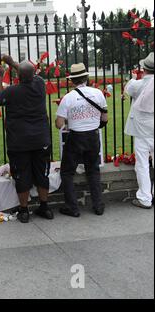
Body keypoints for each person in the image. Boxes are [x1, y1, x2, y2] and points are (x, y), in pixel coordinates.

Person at [0, 55, 53, 223]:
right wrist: (12, 62)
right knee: (42, 174)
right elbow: (27, 72)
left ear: (18, 76)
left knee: (21, 175)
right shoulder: (40, 84)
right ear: (33, 74)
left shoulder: (12, 91)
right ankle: (44, 206)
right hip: (41, 139)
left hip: (19, 141)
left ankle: (24, 210)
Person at [55, 63, 107, 217]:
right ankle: (98, 205)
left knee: (67, 172)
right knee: (93, 171)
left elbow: (59, 124)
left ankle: (72, 207)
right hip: (92, 135)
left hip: (76, 137)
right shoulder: (98, 93)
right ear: (86, 78)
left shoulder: (68, 98)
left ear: (72, 80)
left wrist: (68, 121)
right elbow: (105, 118)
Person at [124, 52, 154, 209]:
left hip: (142, 129)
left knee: (142, 164)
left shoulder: (138, 84)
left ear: (145, 69)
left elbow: (128, 89)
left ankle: (145, 197)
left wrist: (134, 77)